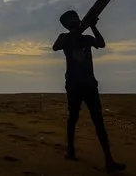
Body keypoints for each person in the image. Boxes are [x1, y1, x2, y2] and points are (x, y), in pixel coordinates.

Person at [52, 10, 126, 173]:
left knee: (98, 121)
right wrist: (72, 34)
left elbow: (101, 44)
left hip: (89, 85)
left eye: (77, 19)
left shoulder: (86, 39)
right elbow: (55, 47)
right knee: (73, 117)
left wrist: (92, 26)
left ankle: (109, 160)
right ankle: (70, 150)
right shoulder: (65, 39)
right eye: (73, 21)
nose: (76, 22)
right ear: (67, 25)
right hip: (73, 86)